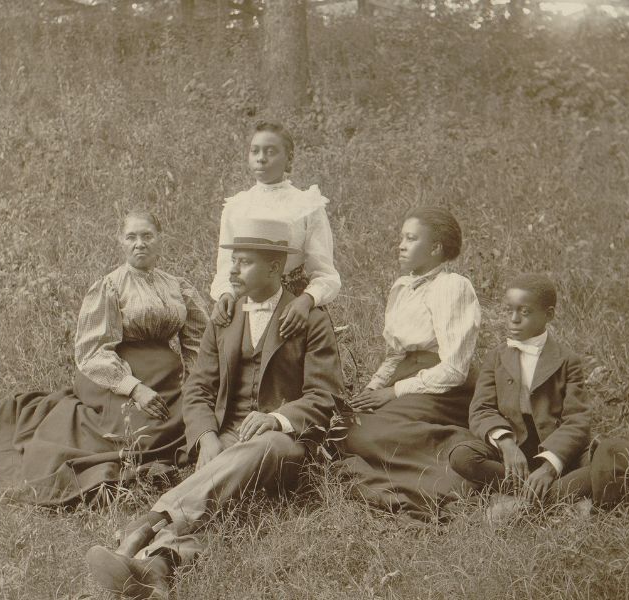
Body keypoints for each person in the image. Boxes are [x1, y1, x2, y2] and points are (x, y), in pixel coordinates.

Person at [85, 217, 344, 600]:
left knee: (265, 445)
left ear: (274, 267)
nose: (233, 270)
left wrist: (276, 418)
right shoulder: (224, 318)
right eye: (233, 260)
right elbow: (198, 388)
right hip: (227, 439)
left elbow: (324, 396)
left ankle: (150, 522)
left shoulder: (311, 320)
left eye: (245, 262)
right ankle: (159, 565)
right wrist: (206, 437)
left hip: (284, 446)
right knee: (228, 502)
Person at [0, 210, 209, 505]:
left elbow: (198, 343)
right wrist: (134, 388)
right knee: (145, 429)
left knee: (190, 413)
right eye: (131, 237)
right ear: (121, 242)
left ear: (160, 240)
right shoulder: (110, 286)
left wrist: (195, 382)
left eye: (147, 236)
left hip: (166, 377)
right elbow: (92, 351)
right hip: (113, 374)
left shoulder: (178, 287)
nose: (139, 243)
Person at [450, 273, 629, 518]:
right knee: (462, 456)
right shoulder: (496, 357)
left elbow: (577, 420)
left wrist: (550, 467)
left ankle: (525, 503)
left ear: (548, 315)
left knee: (616, 454)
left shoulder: (567, 360)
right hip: (514, 455)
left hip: (560, 457)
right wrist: (507, 445)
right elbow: (481, 409)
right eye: (509, 310)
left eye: (525, 312)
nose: (513, 319)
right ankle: (558, 501)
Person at [337, 207, 482, 519]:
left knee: (366, 433)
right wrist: (371, 389)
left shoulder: (452, 286)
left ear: (435, 248)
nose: (400, 245)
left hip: (443, 390)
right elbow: (395, 355)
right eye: (401, 238)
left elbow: (455, 369)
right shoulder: (402, 287)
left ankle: (453, 477)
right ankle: (396, 485)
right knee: (346, 424)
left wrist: (393, 392)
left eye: (411, 239)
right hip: (405, 379)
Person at [210, 120, 341, 339]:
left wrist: (306, 301)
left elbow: (324, 273)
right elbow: (226, 267)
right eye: (255, 151)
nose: (261, 158)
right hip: (246, 301)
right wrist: (226, 294)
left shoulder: (307, 205)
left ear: (289, 158)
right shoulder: (237, 207)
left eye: (270, 152)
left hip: (293, 305)